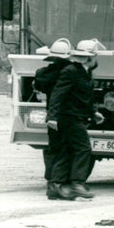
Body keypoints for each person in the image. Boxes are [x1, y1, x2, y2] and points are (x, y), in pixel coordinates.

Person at [47, 38, 106, 200]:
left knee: (66, 150)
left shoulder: (85, 73)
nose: (96, 60)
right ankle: (77, 184)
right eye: (95, 56)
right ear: (89, 58)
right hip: (69, 118)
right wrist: (52, 117)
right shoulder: (71, 71)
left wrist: (93, 113)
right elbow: (57, 94)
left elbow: (82, 97)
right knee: (83, 148)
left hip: (77, 117)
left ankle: (55, 187)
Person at [33, 38, 73, 199]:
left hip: (51, 114)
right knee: (66, 150)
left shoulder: (43, 73)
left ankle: (51, 182)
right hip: (67, 115)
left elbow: (38, 85)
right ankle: (60, 183)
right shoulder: (69, 72)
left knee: (53, 148)